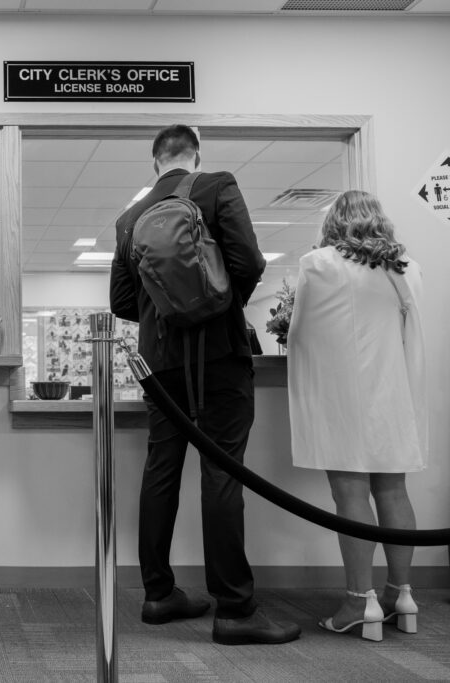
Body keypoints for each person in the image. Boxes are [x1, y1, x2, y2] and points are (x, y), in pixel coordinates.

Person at [110, 124, 300, 645]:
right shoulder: (217, 185)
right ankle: (235, 610)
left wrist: (166, 309)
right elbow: (249, 262)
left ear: (156, 163)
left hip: (162, 364)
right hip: (219, 355)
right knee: (221, 471)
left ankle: (158, 594)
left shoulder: (129, 217)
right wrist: (215, 302)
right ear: (196, 155)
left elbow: (121, 302)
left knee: (161, 469)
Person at [287, 190, 426, 641]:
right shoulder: (405, 267)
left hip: (343, 394)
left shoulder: (319, 263)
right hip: (392, 390)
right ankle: (400, 594)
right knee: (394, 489)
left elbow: (301, 330)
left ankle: (357, 600)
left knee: (350, 493)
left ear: (334, 222)